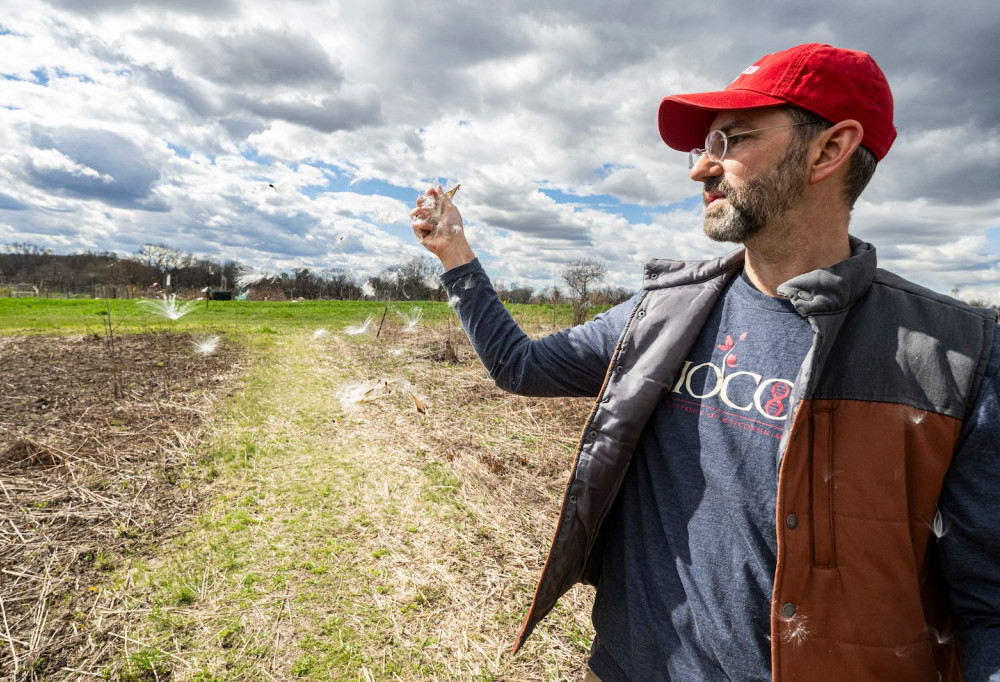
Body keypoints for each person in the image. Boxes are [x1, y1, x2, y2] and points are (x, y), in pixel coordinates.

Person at [410, 43, 1000, 682]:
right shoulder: (660, 316)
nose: (701, 169)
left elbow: (989, 604)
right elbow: (519, 366)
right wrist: (453, 252)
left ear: (829, 150)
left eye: (733, 139)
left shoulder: (956, 355)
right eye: (703, 146)